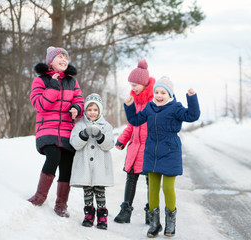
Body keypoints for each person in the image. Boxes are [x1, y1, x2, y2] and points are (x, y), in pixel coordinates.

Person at [123, 76, 200, 238]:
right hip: (151, 153)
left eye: (163, 92)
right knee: (153, 189)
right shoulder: (150, 108)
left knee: (167, 188)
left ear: (169, 94)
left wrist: (192, 98)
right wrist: (129, 106)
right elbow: (135, 120)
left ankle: (170, 223)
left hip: (170, 152)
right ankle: (154, 223)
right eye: (156, 91)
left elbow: (192, 116)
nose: (159, 95)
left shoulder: (175, 108)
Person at [28, 46, 84, 218]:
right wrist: (53, 85)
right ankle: (40, 196)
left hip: (67, 129)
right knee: (54, 157)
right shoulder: (40, 80)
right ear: (50, 61)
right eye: (60, 56)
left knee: (67, 164)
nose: (64, 60)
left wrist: (76, 108)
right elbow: (40, 105)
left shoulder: (72, 82)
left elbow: (80, 101)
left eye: (66, 57)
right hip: (47, 128)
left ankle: (61, 205)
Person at [114, 59, 155, 224]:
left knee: (150, 181)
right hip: (135, 148)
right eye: (131, 85)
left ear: (144, 83)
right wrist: (122, 140)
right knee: (131, 178)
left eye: (135, 85)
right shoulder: (135, 102)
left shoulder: (153, 102)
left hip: (150, 149)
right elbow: (132, 125)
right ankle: (126, 210)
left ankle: (151, 211)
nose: (133, 88)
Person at [69, 93, 115, 230]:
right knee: (87, 189)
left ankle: (102, 216)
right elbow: (75, 144)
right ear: (85, 111)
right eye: (89, 109)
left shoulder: (106, 126)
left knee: (99, 189)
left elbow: (110, 144)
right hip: (85, 165)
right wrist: (83, 134)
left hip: (100, 165)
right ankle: (89, 215)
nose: (92, 112)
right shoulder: (79, 125)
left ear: (99, 110)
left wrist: (100, 136)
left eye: (95, 110)